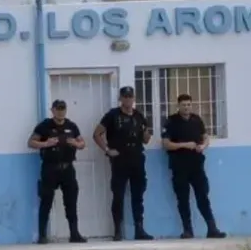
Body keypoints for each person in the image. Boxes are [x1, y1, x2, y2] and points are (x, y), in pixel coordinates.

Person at [161, 93, 226, 240]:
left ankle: (212, 228)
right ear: (178, 106)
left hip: (196, 166)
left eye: (189, 104)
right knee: (183, 199)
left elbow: (205, 137)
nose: (186, 107)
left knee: (203, 197)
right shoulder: (171, 121)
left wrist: (203, 146)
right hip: (179, 166)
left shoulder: (197, 120)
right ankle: (187, 230)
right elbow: (165, 144)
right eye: (183, 105)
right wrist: (184, 145)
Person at [94, 86, 154, 241]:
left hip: (137, 159)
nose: (128, 99)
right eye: (125, 97)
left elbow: (145, 140)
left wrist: (147, 133)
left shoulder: (139, 116)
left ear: (134, 98)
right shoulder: (113, 115)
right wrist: (107, 150)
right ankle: (117, 231)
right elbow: (97, 134)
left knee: (138, 195)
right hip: (120, 160)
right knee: (118, 195)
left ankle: (139, 229)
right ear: (120, 98)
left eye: (130, 97)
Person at [28, 100, 87, 244]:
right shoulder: (45, 126)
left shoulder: (71, 126)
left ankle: (74, 234)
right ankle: (42, 235)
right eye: (58, 109)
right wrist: (45, 143)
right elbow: (31, 142)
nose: (60, 112)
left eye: (63, 109)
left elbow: (83, 143)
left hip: (67, 168)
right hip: (50, 168)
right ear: (52, 110)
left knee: (71, 202)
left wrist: (76, 144)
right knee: (46, 201)